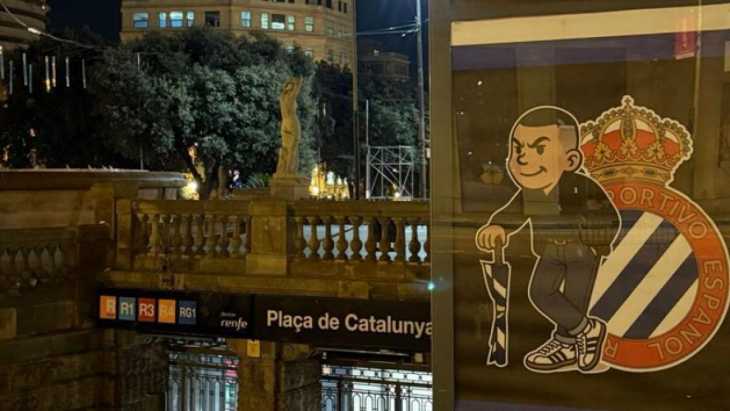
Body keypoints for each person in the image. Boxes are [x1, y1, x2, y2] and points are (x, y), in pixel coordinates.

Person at [475, 106, 620, 373]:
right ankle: (587, 330)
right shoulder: (531, 193)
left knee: (575, 298)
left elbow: (610, 218)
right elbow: (512, 212)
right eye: (518, 149)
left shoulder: (583, 186)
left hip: (581, 252)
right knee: (540, 293)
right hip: (549, 250)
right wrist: (497, 226)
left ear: (571, 160)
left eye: (539, 149)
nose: (523, 157)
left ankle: (566, 343)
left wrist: (591, 235)